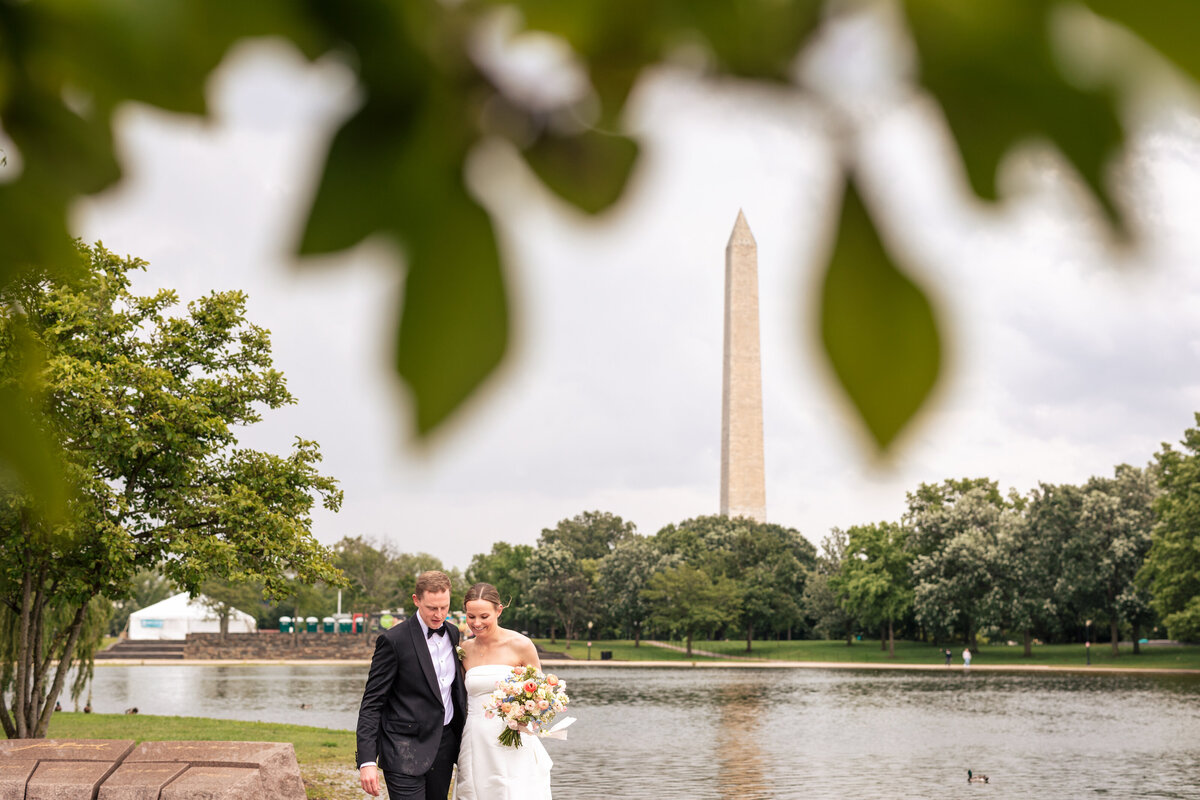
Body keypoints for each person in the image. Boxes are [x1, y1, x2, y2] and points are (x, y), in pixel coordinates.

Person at [355, 570, 467, 799]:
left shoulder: (453, 634)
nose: (439, 615)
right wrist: (367, 760)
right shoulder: (393, 640)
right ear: (416, 601)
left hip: (444, 748)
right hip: (402, 750)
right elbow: (372, 703)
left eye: (444, 607)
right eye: (432, 608)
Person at [455, 582, 553, 800]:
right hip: (475, 739)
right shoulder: (465, 650)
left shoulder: (521, 645)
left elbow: (541, 695)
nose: (476, 623)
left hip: (512, 739)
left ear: (499, 610)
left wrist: (525, 718)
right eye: (471, 617)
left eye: (484, 616)